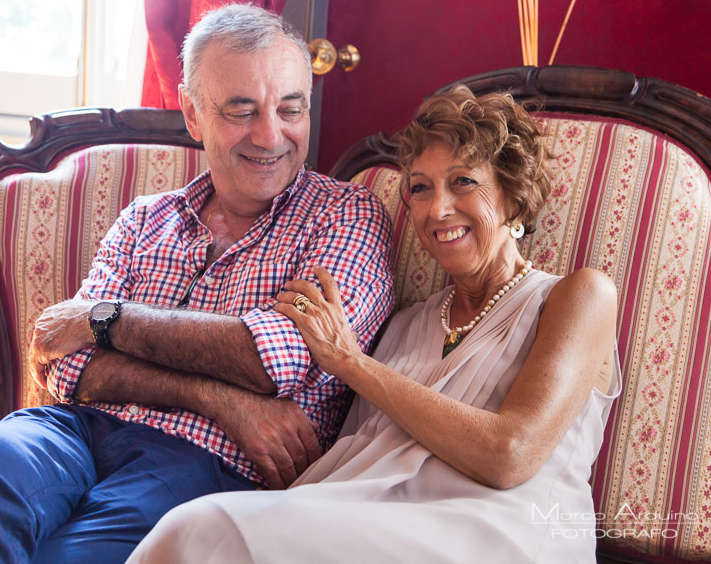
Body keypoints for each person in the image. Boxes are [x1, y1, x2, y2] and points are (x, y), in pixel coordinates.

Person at [0, 4, 394, 563]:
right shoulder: (145, 217)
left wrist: (105, 319)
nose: (271, 134)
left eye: (290, 109)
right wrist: (220, 398)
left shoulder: (347, 216)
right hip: (76, 429)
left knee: (64, 555)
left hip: (208, 465)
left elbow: (272, 358)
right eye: (242, 110)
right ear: (193, 114)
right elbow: (65, 363)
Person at [128, 86, 622, 564]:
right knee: (198, 525)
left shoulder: (578, 295)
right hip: (373, 523)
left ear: (513, 195)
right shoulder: (406, 324)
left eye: (463, 182)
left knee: (198, 529)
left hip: (505, 534)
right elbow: (354, 459)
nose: (437, 209)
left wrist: (348, 361)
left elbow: (510, 453)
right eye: (421, 189)